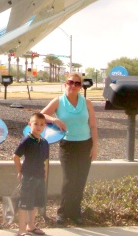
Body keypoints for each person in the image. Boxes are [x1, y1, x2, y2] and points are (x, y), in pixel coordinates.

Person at [40, 72, 97, 226]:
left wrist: (95, 146)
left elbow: (92, 125)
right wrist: (54, 119)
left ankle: (75, 212)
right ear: (65, 84)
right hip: (67, 145)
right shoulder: (58, 101)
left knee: (80, 181)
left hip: (85, 145)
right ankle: (63, 213)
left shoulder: (87, 103)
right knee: (69, 180)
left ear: (81, 86)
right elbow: (40, 115)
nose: (73, 86)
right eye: (71, 82)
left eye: (77, 83)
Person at [13, 112, 49, 236]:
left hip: (39, 176)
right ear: (30, 124)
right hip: (28, 176)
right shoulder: (27, 140)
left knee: (35, 203)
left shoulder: (44, 142)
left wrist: (45, 174)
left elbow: (45, 160)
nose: (39, 127)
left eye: (41, 124)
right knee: (24, 203)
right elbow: (16, 156)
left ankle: (31, 225)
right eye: (36, 124)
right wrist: (20, 172)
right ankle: (21, 229)